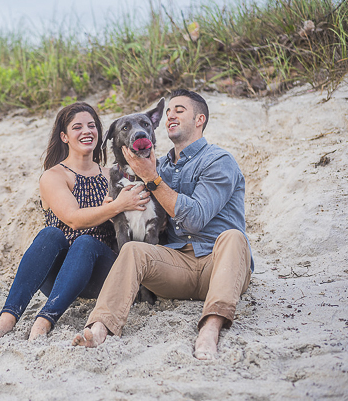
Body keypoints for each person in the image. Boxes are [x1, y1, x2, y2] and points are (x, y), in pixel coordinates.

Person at [72, 89, 254, 360]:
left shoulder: (218, 160)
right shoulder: (162, 167)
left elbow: (195, 218)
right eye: (168, 112)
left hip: (220, 264)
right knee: (132, 249)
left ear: (200, 119)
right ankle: (100, 327)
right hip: (177, 266)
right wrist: (116, 205)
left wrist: (152, 178)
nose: (170, 116)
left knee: (234, 237)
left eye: (179, 110)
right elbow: (135, 210)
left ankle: (211, 328)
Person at [0, 102, 149, 341]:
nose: (87, 131)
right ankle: (7, 319)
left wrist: (118, 209)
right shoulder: (53, 176)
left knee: (86, 243)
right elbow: (73, 219)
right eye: (77, 127)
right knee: (51, 234)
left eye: (92, 126)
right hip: (58, 278)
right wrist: (117, 206)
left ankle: (44, 320)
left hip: (101, 273)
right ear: (64, 136)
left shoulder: (112, 175)